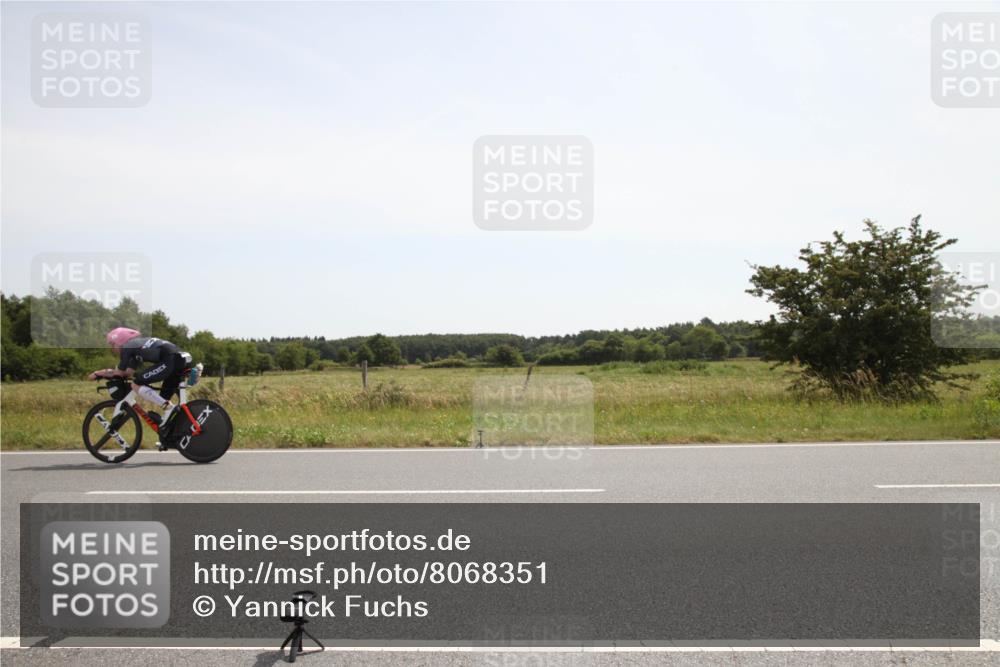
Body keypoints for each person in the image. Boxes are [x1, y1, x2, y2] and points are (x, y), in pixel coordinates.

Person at [89, 327, 191, 426]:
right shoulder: (136, 347)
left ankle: (167, 407)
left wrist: (99, 373)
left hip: (170, 359)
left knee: (136, 384)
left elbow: (119, 372)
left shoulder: (127, 347)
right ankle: (171, 433)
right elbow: (128, 373)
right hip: (180, 359)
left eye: (112, 344)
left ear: (120, 341)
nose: (112, 349)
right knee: (164, 396)